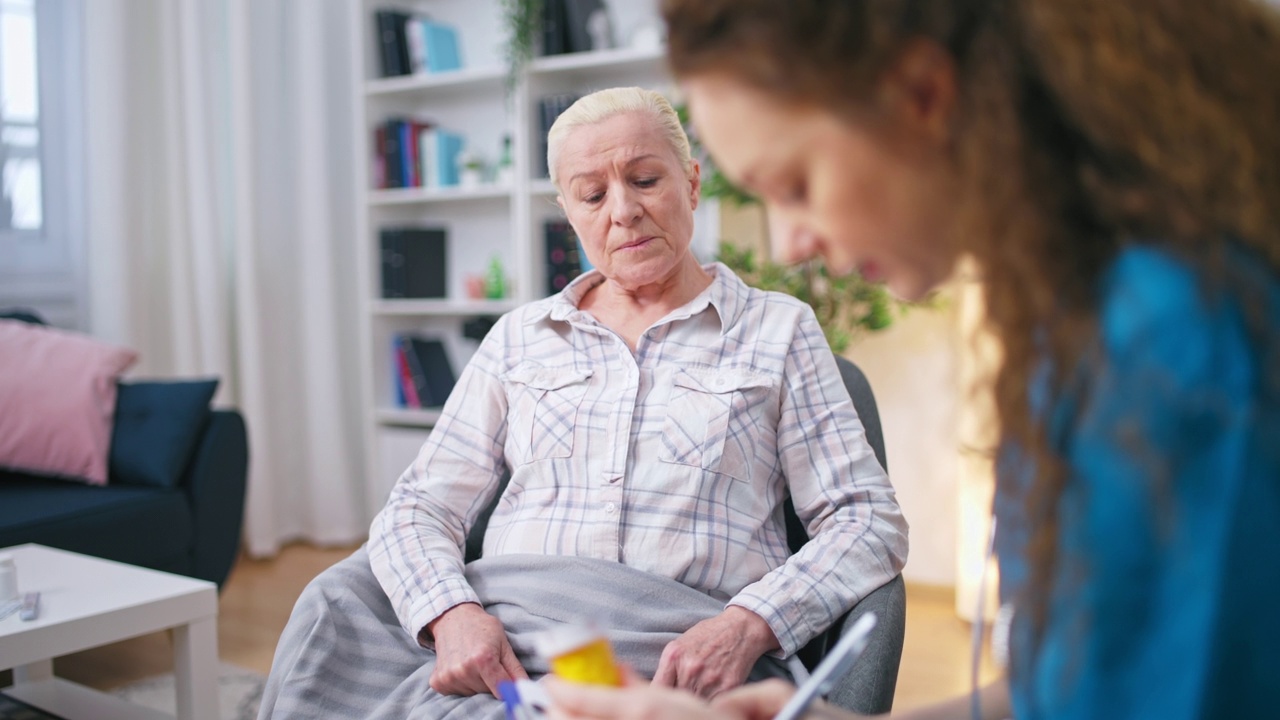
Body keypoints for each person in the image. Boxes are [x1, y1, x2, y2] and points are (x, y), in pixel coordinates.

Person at [545, 0, 1280, 719]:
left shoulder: (1170, 349)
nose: (791, 243)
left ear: (922, 98)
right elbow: (1073, 691)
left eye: (796, 186)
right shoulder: (1081, 323)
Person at [257, 87, 907, 719]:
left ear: (692, 183)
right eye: (592, 194)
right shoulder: (520, 337)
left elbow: (867, 520)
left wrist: (750, 623)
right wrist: (451, 614)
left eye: (646, 180)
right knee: (333, 613)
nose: (621, 210)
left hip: (670, 650)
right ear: (568, 213)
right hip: (507, 642)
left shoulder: (777, 330)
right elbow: (421, 506)